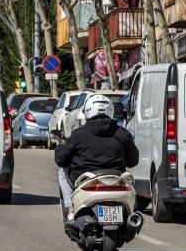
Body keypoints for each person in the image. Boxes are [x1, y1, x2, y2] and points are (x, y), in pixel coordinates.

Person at [54, 94, 139, 224]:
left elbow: (61, 160)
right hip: (116, 181)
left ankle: (70, 209)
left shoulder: (78, 134)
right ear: (110, 110)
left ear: (88, 111)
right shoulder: (123, 133)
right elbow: (133, 161)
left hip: (86, 181)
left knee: (62, 170)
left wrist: (60, 148)